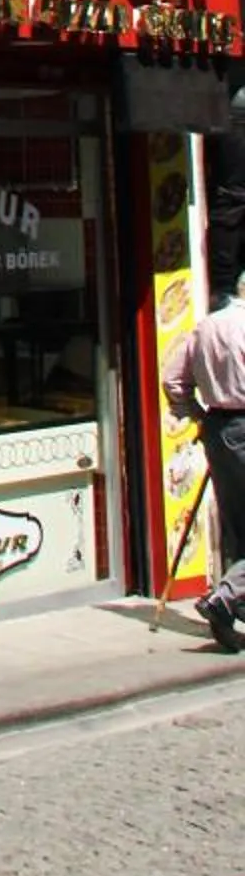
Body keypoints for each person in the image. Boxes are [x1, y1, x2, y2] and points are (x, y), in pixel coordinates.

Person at [164, 268, 245, 651]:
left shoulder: (206, 326)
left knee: (240, 523)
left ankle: (231, 602)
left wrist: (195, 413)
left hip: (217, 428)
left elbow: (174, 380)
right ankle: (225, 597)